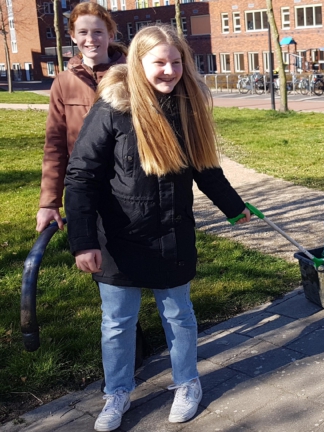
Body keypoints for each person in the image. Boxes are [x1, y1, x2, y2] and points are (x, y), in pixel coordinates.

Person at [64, 25, 252, 432]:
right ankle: (117, 390)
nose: (169, 70)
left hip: (171, 231)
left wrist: (234, 207)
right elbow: (81, 177)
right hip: (117, 237)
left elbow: (205, 166)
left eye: (176, 62)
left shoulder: (187, 106)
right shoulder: (113, 108)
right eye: (159, 63)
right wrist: (82, 241)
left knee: (179, 315)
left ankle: (187, 383)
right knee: (117, 322)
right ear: (138, 64)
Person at [36, 2, 127, 233]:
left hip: (131, 186)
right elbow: (55, 145)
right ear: (73, 37)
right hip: (86, 187)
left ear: (110, 34)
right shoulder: (64, 83)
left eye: (98, 32)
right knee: (96, 259)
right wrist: (49, 201)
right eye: (83, 33)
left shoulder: (132, 75)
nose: (91, 39)